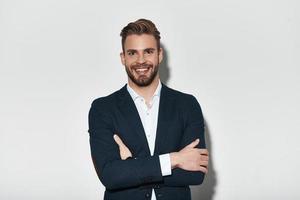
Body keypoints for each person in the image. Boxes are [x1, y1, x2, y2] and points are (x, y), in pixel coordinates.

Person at [88, 18, 209, 200]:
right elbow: (110, 176)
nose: (141, 60)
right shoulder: (102, 109)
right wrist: (174, 160)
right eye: (132, 53)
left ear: (159, 55)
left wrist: (130, 166)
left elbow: (195, 174)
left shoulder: (187, 105)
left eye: (148, 51)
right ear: (123, 58)